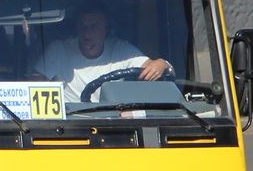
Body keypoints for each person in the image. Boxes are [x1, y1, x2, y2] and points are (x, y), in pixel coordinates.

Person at [33, 6, 172, 102]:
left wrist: (161, 63)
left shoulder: (121, 50)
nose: (87, 33)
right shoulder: (59, 50)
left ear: (106, 28)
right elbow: (34, 85)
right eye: (82, 26)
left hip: (111, 123)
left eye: (94, 26)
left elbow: (151, 66)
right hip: (69, 125)